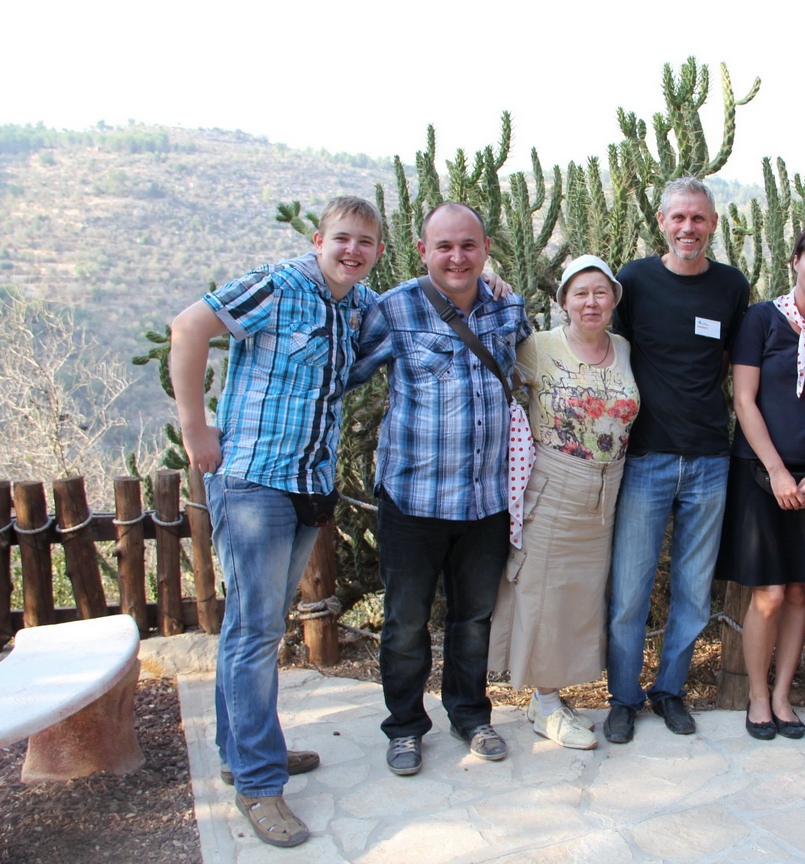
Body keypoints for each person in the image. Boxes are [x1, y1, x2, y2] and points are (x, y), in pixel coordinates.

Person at [170, 196, 385, 847]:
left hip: (308, 485)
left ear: (377, 251)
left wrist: (490, 285)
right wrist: (195, 428)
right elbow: (189, 327)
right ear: (319, 240)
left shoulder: (359, 306)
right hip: (254, 479)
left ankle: (241, 750)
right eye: (342, 238)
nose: (352, 251)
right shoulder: (277, 284)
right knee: (256, 631)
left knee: (257, 627)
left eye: (365, 242)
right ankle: (259, 784)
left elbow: (419, 309)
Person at [349, 202, 531, 775]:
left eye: (468, 245)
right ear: (422, 250)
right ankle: (404, 727)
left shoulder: (507, 307)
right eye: (444, 246)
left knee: (473, 619)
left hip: (486, 500)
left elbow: (529, 367)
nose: (457, 257)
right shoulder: (395, 307)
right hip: (414, 500)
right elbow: (346, 371)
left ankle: (470, 716)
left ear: (485, 249)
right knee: (406, 622)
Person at [604, 176, 750, 744]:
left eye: (699, 218)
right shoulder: (634, 281)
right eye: (679, 217)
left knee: (692, 591)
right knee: (630, 591)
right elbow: (610, 351)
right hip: (645, 458)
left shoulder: (731, 287)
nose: (689, 227)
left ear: (712, 224)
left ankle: (669, 690)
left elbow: (729, 363)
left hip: (710, 459)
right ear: (662, 222)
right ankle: (623, 696)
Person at [487, 254, 639, 750]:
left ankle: (550, 696)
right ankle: (545, 704)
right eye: (580, 293)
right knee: (545, 593)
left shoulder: (623, 348)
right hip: (552, 487)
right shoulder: (538, 346)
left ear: (614, 300)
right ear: (564, 301)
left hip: (606, 492)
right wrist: (492, 284)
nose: (591, 302)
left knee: (579, 597)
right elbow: (491, 356)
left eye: (601, 292)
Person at [716, 225, 805, 741]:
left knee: (798, 592)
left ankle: (782, 695)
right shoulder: (761, 320)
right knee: (769, 593)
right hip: (759, 474)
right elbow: (744, 400)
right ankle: (756, 694)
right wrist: (775, 470)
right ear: (795, 261)